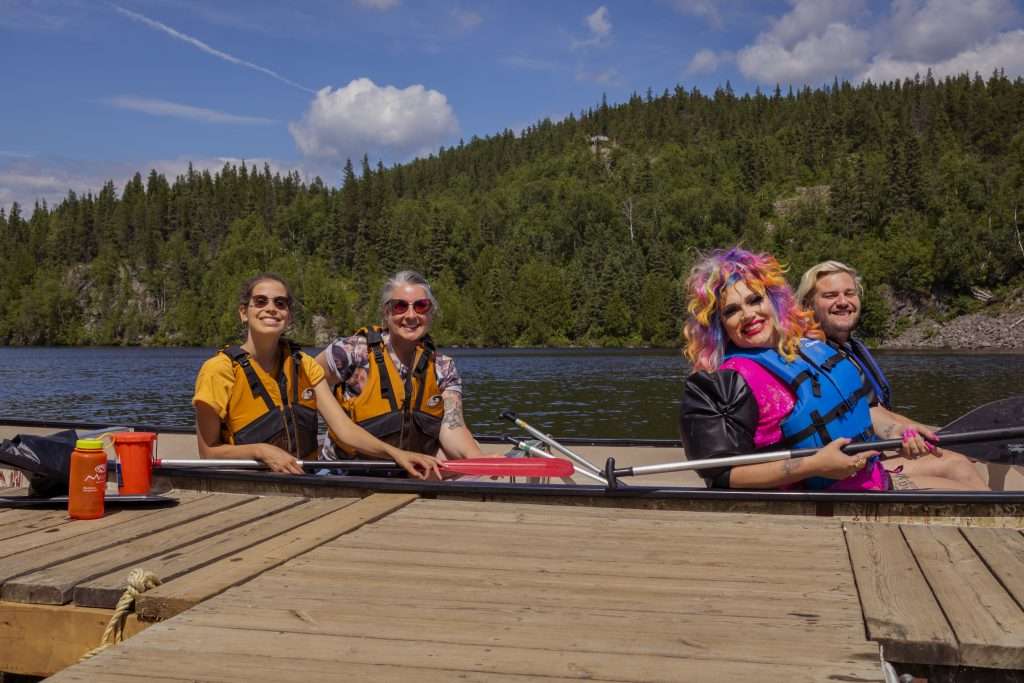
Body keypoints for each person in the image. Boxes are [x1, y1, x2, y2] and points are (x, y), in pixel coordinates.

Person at [678, 247, 973, 491]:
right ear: (719, 326)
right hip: (824, 498)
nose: (749, 314)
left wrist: (900, 429)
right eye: (732, 310)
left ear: (773, 300)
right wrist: (814, 465)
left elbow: (858, 409)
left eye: (755, 299)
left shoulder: (804, 347)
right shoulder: (724, 383)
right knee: (967, 496)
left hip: (869, 477)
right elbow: (721, 475)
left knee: (963, 472)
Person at [192, 273, 440, 479]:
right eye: (260, 301)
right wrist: (262, 451)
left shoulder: (305, 366)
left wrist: (397, 454)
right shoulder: (218, 370)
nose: (271, 309)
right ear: (244, 312)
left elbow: (344, 430)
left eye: (280, 303)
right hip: (248, 481)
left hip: (304, 477)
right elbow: (208, 452)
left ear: (288, 316)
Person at [796, 261, 987, 490]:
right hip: (842, 471)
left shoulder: (843, 351)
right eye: (830, 295)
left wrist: (920, 433)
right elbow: (867, 414)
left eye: (849, 293)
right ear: (809, 304)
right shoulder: (811, 358)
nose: (843, 302)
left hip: (867, 456)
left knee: (957, 460)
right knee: (957, 466)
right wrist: (902, 434)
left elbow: (873, 410)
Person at [315, 270, 486, 467]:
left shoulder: (442, 366)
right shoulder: (352, 351)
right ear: (386, 312)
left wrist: (478, 459)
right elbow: (306, 376)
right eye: (400, 306)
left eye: (421, 306)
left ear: (430, 313)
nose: (411, 315)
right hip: (347, 470)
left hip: (406, 468)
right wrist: (337, 421)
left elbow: (452, 426)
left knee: (459, 452)